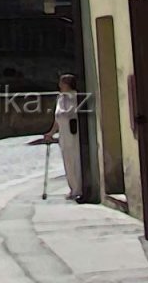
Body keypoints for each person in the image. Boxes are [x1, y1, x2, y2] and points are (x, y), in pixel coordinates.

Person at [44, 72, 83, 200]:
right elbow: (57, 118)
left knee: (76, 158)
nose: (60, 85)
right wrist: (51, 132)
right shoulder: (60, 98)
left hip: (73, 132)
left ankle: (79, 188)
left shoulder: (76, 97)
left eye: (62, 82)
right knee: (67, 160)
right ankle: (72, 188)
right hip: (64, 134)